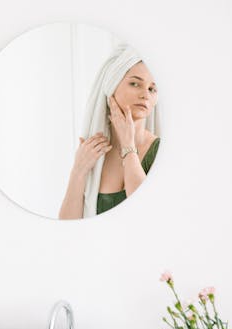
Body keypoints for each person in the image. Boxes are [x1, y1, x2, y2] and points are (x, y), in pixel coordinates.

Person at [59, 45, 160, 219]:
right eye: (135, 83)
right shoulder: (93, 151)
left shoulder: (160, 151)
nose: (145, 94)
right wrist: (78, 171)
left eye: (152, 88)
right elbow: (67, 224)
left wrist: (129, 147)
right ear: (111, 86)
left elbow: (148, 215)